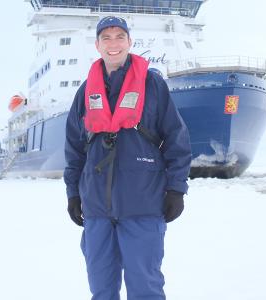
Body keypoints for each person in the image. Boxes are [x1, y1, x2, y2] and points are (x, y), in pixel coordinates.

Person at [63, 16, 192, 300]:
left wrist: (176, 189)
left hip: (142, 207)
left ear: (130, 42)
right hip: (96, 210)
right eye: (106, 38)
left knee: (145, 288)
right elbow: (74, 148)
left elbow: (176, 138)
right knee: (101, 289)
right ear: (97, 45)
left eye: (119, 36)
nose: (113, 44)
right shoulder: (86, 91)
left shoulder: (153, 85)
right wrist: (73, 194)